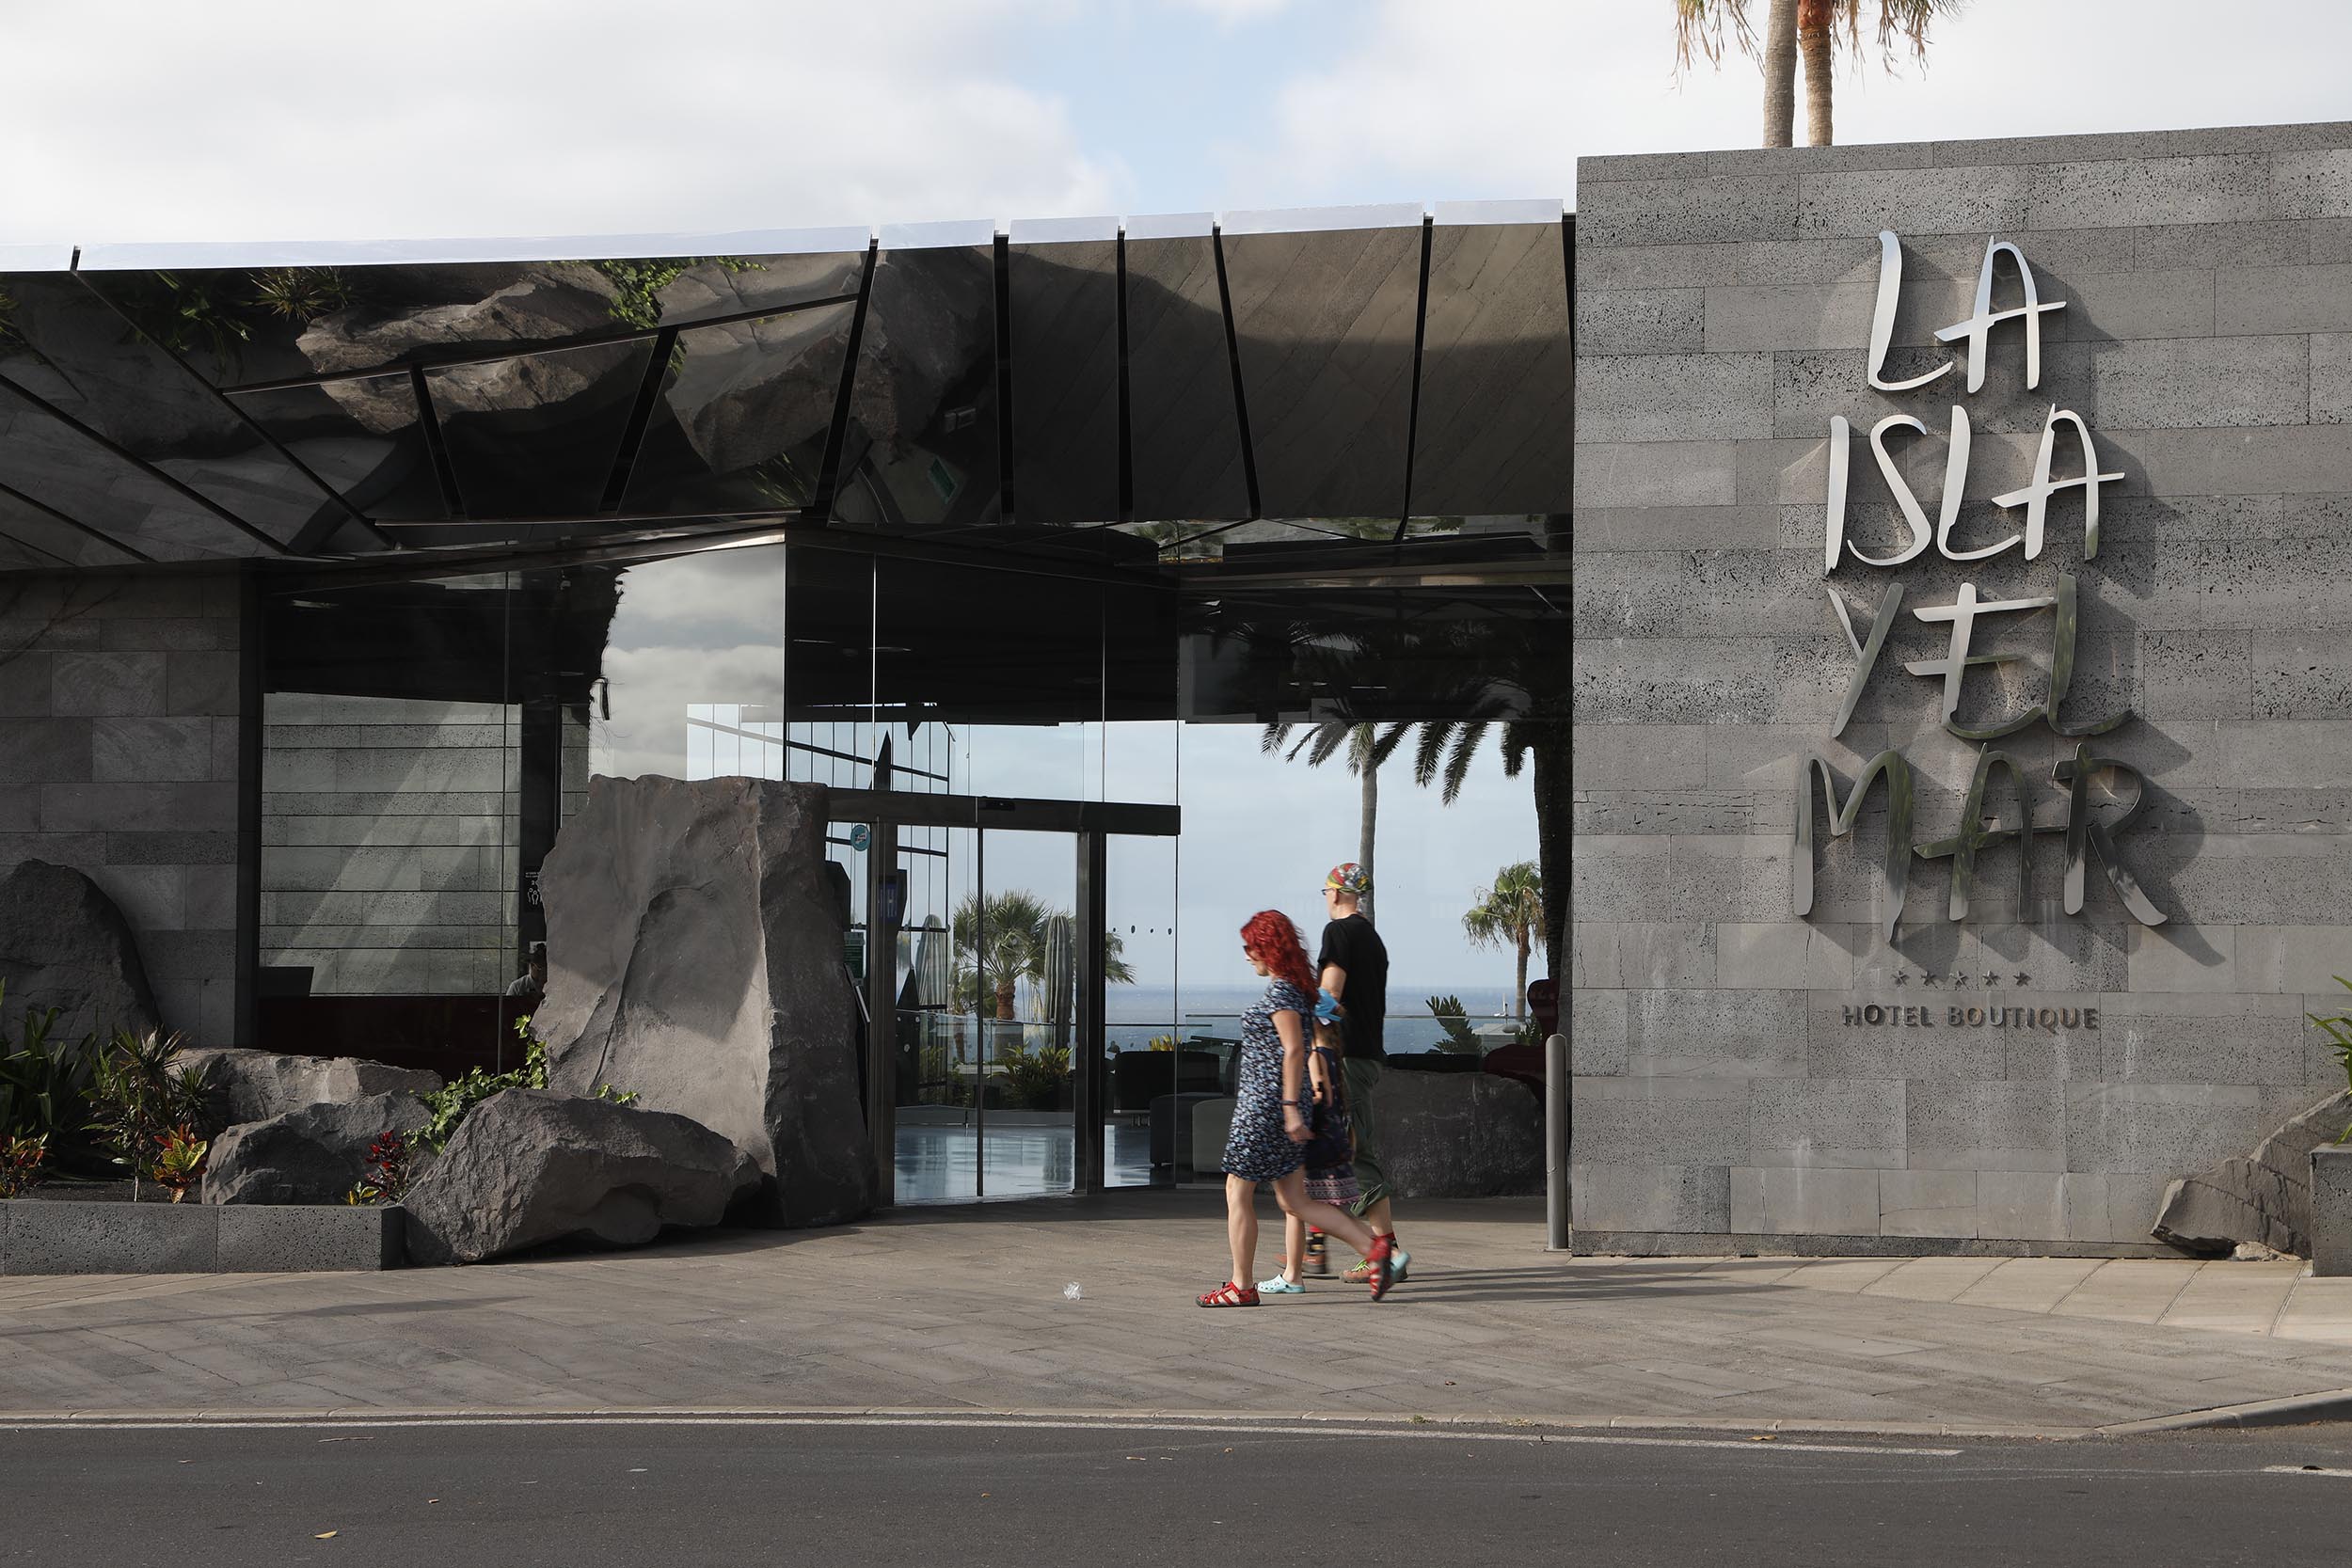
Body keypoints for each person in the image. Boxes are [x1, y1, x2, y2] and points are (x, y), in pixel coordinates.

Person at [1198, 911, 1397, 1307]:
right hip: (1278, 1106)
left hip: (1266, 1108)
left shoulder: (1284, 992)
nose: (1246, 955)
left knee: (1237, 1191)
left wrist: (1290, 1108)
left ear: (1268, 948)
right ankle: (1375, 1252)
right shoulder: (1294, 988)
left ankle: (1241, 1286)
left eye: (1250, 947)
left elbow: (1293, 1049)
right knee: (1296, 1201)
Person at [1315, 863, 1407, 1284]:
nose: (1326, 898)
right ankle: (1324, 1245)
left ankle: (1384, 1252)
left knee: (1355, 1154)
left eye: (1325, 891)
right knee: (1341, 1151)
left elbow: (1330, 994)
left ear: (1335, 893)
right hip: (1368, 1053)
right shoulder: (1373, 938)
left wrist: (1303, 1024)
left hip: (1345, 1055)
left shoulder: (1339, 933)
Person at [1259, 991, 1360, 1295]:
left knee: (1295, 1207)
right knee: (1303, 1208)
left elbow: (1319, 1094)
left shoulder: (1315, 1055)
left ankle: (1293, 1274)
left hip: (1311, 1142)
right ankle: (1296, 1270)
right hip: (1327, 1140)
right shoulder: (1331, 1055)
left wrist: (1293, 1103)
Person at [504, 941, 548, 1005]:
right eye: (540, 969)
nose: (544, 973)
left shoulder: (555, 985)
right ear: (532, 965)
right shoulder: (517, 986)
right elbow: (507, 1007)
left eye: (546, 970)